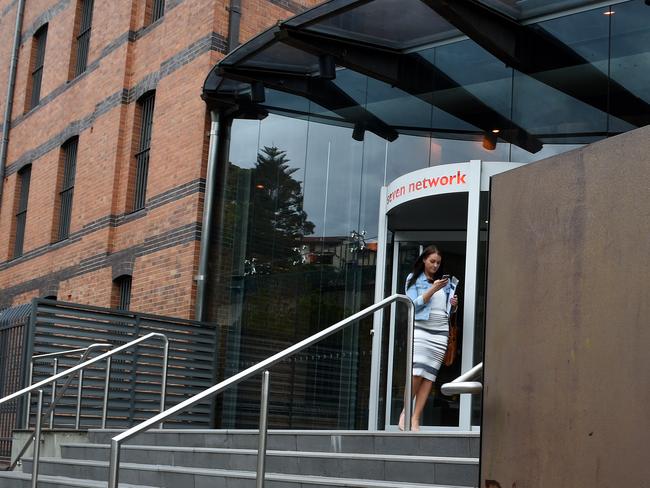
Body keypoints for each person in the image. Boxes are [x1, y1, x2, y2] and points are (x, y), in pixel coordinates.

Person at [400, 244, 458, 431]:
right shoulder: (414, 279)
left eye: (438, 263)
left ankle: (416, 419)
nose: (435, 265)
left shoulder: (443, 283)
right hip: (422, 330)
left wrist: (453, 305)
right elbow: (413, 304)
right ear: (424, 260)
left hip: (440, 334)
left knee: (429, 378)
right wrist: (432, 289)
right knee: (417, 373)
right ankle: (405, 414)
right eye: (432, 261)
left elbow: (445, 311)